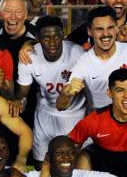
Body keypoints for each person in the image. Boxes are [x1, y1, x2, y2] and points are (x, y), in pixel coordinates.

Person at [57, 6, 127, 117]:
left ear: (117, 28)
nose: (105, 34)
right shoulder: (83, 63)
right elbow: (60, 106)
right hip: (101, 129)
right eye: (99, 29)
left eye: (110, 28)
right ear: (89, 31)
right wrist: (66, 94)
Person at [16, 16, 85, 162]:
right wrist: (19, 102)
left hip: (76, 115)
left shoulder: (78, 54)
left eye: (56, 36)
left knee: (76, 164)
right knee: (42, 162)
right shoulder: (28, 57)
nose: (52, 42)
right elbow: (22, 94)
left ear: (63, 35)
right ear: (38, 38)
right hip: (45, 114)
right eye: (46, 38)